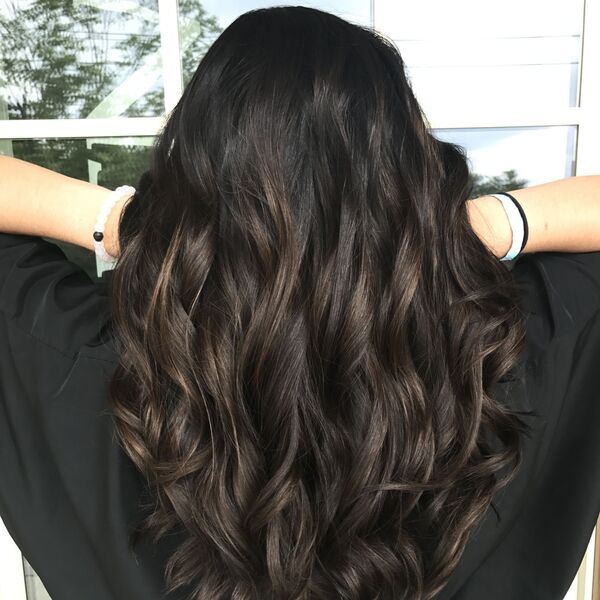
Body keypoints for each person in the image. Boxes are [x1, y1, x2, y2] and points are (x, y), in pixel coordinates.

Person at [0, 6, 598, 600]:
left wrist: (128, 224)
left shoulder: (81, 367)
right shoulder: (513, 360)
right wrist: (474, 226)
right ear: (413, 184)